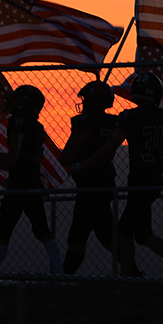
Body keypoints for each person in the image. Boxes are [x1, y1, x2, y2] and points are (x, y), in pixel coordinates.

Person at [71, 72, 163, 278]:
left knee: (123, 231)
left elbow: (108, 149)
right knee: (143, 234)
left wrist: (81, 165)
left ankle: (128, 277)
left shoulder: (132, 117)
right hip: (155, 177)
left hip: (139, 181)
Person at [0, 84, 64, 279]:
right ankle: (61, 274)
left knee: (4, 230)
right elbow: (21, 162)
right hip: (30, 181)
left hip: (20, 184)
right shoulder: (36, 126)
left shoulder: (18, 122)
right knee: (41, 229)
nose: (11, 101)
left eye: (16, 98)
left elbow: (13, 159)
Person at [58, 80, 123, 275]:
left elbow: (66, 157)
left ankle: (63, 278)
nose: (83, 102)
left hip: (89, 184)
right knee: (104, 234)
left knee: (78, 236)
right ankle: (134, 272)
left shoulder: (86, 124)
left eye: (86, 98)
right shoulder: (112, 123)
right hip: (104, 180)